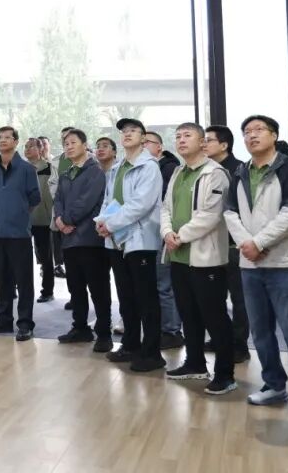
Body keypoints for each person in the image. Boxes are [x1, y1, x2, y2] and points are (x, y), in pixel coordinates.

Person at [224, 115, 288, 418]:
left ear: (274, 135)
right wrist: (247, 244)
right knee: (260, 331)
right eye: (247, 131)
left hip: (283, 262)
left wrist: (259, 242)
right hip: (249, 264)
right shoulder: (240, 171)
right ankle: (274, 385)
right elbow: (229, 212)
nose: (251, 135)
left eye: (258, 130)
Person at [160, 123, 237, 396]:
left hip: (206, 258)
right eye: (178, 136)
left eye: (187, 135)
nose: (181, 140)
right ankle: (195, 363)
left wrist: (180, 236)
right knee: (188, 314)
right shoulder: (178, 171)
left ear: (203, 142)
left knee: (214, 317)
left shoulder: (215, 173)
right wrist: (167, 233)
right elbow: (166, 207)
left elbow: (211, 215)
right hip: (178, 256)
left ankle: (225, 374)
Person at [96, 118, 166, 372]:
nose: (127, 134)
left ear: (144, 138)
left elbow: (141, 205)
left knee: (146, 298)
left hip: (139, 239)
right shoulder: (117, 167)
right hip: (116, 240)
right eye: (124, 131)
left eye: (133, 131)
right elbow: (108, 199)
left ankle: (152, 352)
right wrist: (101, 221)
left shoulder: (149, 166)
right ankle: (130, 344)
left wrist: (110, 224)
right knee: (126, 297)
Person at [0, 126, 41, 342]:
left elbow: (34, 198)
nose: (2, 140)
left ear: (15, 142)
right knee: (1, 279)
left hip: (19, 233)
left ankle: (25, 324)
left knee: (24, 281)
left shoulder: (27, 169)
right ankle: (3, 320)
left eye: (7, 137)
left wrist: (18, 213)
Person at [53, 129, 112, 351]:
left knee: (98, 288)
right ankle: (80, 328)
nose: (68, 147)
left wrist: (67, 219)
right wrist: (59, 220)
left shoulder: (95, 171)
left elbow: (88, 201)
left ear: (85, 145)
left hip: (90, 238)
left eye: (73, 142)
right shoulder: (66, 173)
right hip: (69, 239)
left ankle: (104, 333)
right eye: (66, 143)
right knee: (75, 286)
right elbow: (58, 199)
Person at [203, 124, 250, 363]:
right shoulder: (206, 170)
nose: (204, 144)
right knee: (214, 296)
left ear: (224, 145)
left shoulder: (239, 170)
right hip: (211, 242)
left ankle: (240, 345)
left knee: (239, 299)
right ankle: (221, 338)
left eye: (209, 140)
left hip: (234, 243)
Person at [142, 129, 184, 350]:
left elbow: (165, 203)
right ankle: (162, 327)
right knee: (155, 285)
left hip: (164, 233)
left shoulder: (169, 168)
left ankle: (172, 330)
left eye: (147, 142)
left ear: (159, 147)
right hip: (148, 235)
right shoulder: (143, 167)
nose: (143, 145)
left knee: (164, 285)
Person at [26, 137, 55, 303]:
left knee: (46, 257)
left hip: (44, 219)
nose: (28, 149)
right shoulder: (20, 169)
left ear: (40, 149)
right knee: (22, 257)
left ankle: (47, 291)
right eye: (26, 147)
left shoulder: (50, 168)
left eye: (31, 147)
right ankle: (21, 288)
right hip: (24, 220)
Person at [41, 134, 66, 277]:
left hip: (63, 208)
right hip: (50, 208)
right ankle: (51, 265)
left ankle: (59, 263)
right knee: (49, 240)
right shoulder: (56, 162)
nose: (42, 147)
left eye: (44, 144)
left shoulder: (54, 161)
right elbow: (53, 185)